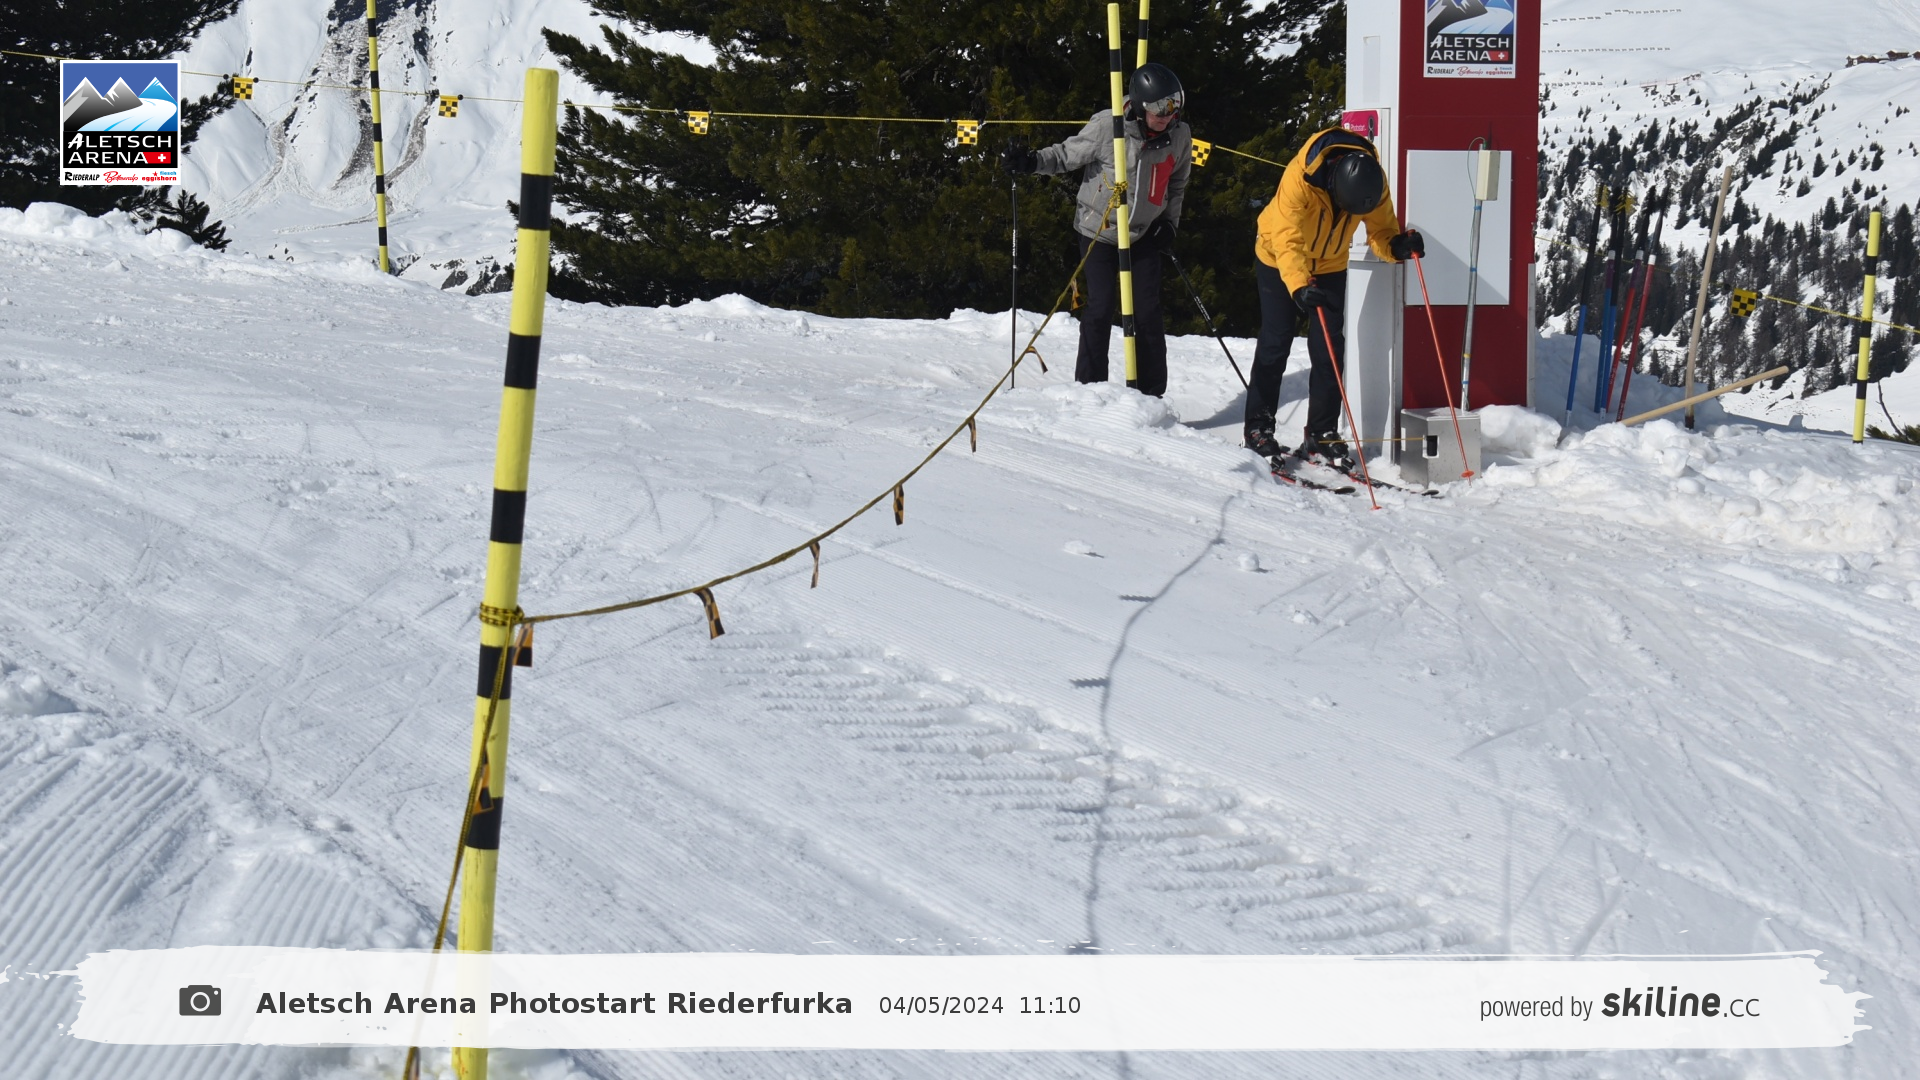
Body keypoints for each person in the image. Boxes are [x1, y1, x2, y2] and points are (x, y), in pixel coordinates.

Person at [1003, 63, 1192, 397]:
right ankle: (1090, 391)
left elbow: (1177, 184)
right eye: (1160, 109)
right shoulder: (1108, 126)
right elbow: (1065, 155)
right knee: (1101, 307)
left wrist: (1169, 223)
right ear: (1140, 106)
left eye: (1174, 106)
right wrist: (1030, 162)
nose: (1168, 116)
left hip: (1144, 232)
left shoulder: (1179, 136)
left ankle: (1151, 396)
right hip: (1099, 231)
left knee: (1147, 311)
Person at [1244, 126, 1424, 467]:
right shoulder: (1301, 178)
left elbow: (1381, 229)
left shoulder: (1371, 181)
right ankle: (1258, 427)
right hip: (1278, 258)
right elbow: (1286, 238)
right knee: (1276, 341)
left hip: (1329, 263)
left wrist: (1396, 247)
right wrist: (1299, 286)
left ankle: (1322, 432)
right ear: (1333, 183)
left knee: (1329, 349)